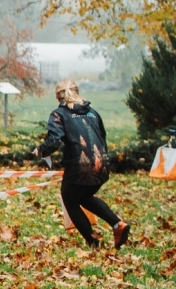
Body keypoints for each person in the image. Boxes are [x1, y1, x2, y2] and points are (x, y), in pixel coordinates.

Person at [34, 79, 130, 249]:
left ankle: (93, 242)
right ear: (77, 93)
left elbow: (54, 140)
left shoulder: (59, 114)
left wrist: (41, 151)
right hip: (102, 164)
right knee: (84, 197)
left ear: (58, 97)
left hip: (79, 165)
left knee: (70, 201)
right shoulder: (92, 112)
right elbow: (103, 136)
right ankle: (117, 225)